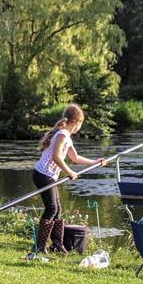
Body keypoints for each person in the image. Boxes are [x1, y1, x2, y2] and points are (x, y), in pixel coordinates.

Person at [33, 103, 105, 254]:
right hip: (43, 175)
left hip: (49, 176)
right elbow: (56, 157)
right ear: (77, 122)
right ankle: (40, 246)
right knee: (51, 208)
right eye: (81, 123)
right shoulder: (61, 134)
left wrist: (96, 162)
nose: (80, 127)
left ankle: (57, 244)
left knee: (57, 209)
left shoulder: (66, 136)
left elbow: (75, 157)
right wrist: (70, 172)